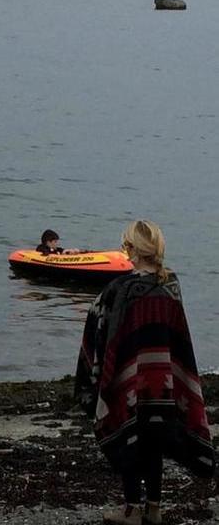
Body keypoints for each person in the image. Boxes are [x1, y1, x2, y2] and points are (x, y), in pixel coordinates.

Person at [74, 220, 214, 525]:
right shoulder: (171, 285)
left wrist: (96, 374)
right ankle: (154, 508)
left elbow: (99, 325)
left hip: (131, 380)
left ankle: (132, 510)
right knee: (155, 440)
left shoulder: (121, 289)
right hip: (164, 379)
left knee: (130, 435)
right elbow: (178, 340)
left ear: (131, 250)